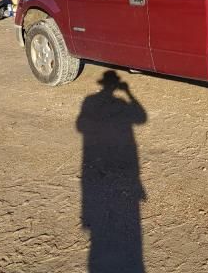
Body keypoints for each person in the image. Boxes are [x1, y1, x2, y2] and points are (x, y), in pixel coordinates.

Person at [76, 70, 147, 273]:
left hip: (101, 156)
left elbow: (80, 126)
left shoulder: (90, 101)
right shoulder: (120, 103)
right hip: (115, 158)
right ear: (115, 86)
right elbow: (141, 118)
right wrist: (130, 94)